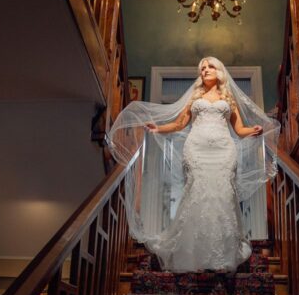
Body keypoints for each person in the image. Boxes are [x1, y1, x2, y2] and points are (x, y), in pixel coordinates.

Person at [106, 57, 279, 273]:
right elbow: (179, 123)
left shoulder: (228, 97)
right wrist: (158, 129)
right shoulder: (195, 96)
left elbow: (239, 129)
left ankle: (223, 254)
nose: (205, 70)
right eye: (202, 68)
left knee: (223, 195)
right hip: (196, 149)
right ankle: (194, 254)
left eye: (210, 67)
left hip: (224, 151)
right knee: (197, 193)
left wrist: (252, 131)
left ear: (219, 71)